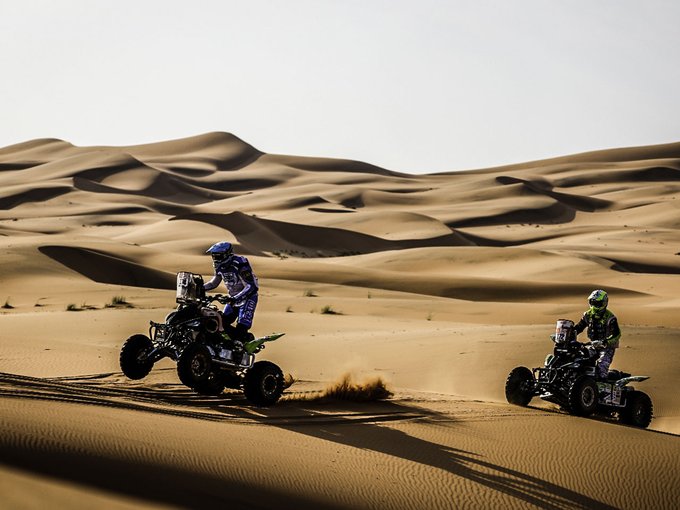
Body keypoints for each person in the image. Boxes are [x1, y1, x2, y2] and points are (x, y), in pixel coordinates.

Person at [203, 241, 258, 345]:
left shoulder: (240, 264)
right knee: (221, 323)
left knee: (242, 325)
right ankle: (228, 344)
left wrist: (235, 298)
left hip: (247, 298)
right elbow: (214, 282)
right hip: (233, 298)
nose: (215, 259)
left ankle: (243, 341)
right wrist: (199, 288)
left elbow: (251, 286)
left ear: (226, 254)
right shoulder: (219, 266)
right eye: (213, 256)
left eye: (217, 256)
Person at [574, 289, 621, 379]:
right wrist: (568, 333)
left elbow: (616, 334)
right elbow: (579, 327)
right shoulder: (588, 315)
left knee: (601, 366)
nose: (594, 305)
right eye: (592, 302)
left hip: (607, 347)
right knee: (579, 359)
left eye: (597, 303)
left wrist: (605, 342)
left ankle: (603, 388)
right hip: (593, 345)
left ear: (604, 303)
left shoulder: (610, 318)